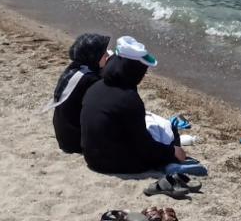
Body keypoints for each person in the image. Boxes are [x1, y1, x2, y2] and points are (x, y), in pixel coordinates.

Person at [79, 36, 187, 174]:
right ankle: (172, 162)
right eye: (143, 71)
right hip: (114, 163)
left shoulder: (95, 87)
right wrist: (172, 151)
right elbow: (143, 146)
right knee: (167, 135)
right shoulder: (129, 99)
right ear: (134, 72)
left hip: (91, 157)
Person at [51, 33, 110, 153]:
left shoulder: (74, 69)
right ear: (94, 56)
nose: (108, 55)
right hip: (75, 141)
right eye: (104, 54)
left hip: (64, 134)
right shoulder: (89, 80)